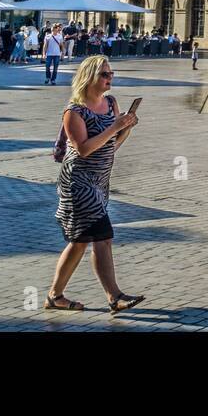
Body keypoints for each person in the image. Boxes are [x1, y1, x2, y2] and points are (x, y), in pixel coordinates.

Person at [46, 56, 144, 313]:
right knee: (103, 235)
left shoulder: (111, 103)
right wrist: (114, 127)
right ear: (89, 77)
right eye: (104, 74)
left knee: (80, 241)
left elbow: (112, 145)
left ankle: (55, 296)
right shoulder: (74, 112)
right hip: (77, 182)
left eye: (110, 73)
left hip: (100, 181)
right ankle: (115, 296)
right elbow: (84, 149)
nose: (109, 78)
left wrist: (126, 127)